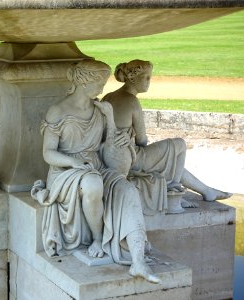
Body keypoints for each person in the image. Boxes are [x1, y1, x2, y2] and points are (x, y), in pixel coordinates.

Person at [32, 59, 160, 284]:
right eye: (100, 82)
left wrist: (111, 122)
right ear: (84, 81)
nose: (103, 88)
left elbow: (108, 151)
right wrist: (72, 163)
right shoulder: (58, 111)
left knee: (127, 189)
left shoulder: (101, 109)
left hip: (96, 166)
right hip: (64, 172)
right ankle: (99, 238)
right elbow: (48, 153)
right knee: (92, 184)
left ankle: (138, 261)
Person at [102, 59, 231, 214]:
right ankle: (173, 192)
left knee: (172, 162)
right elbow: (142, 141)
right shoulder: (132, 101)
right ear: (133, 78)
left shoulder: (108, 97)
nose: (149, 81)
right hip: (132, 158)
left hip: (110, 156)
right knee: (179, 145)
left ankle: (207, 191)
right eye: (147, 77)